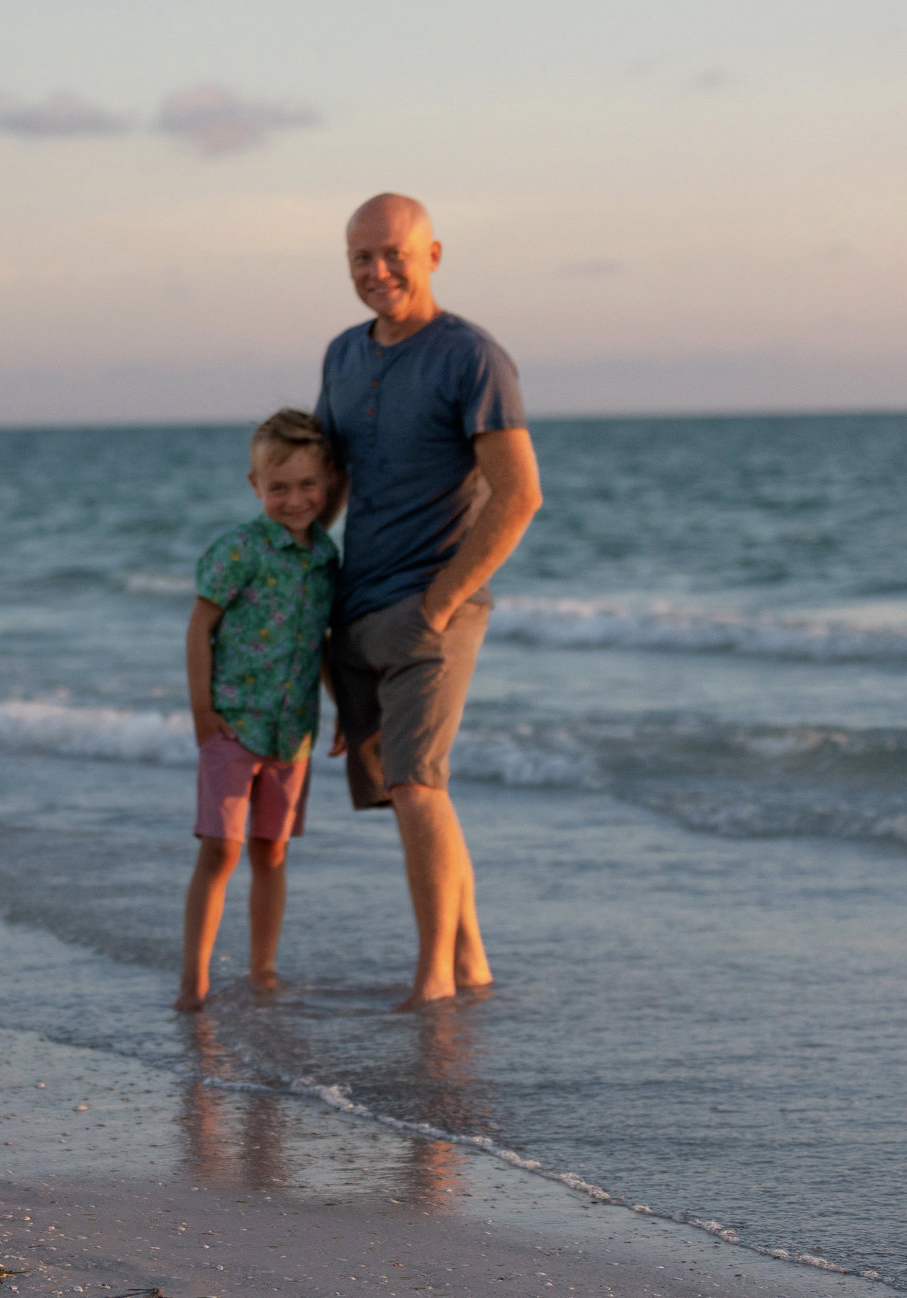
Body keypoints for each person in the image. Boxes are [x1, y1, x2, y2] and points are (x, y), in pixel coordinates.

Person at [315, 193, 542, 1010]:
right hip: (356, 610)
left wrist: (440, 606)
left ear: (433, 255)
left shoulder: (472, 356)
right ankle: (471, 960)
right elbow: (327, 483)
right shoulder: (342, 354)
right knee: (415, 795)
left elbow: (519, 495)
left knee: (415, 785)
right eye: (361, 258)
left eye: (394, 254)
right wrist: (292, 587)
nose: (377, 270)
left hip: (433, 607)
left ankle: (434, 980)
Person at [175, 409, 342, 1012]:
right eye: (278, 487)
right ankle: (193, 981)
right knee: (221, 849)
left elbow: (320, 642)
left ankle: (262, 971)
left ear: (328, 482)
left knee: (271, 850)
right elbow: (200, 628)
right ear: (255, 486)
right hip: (231, 723)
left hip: (292, 731)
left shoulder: (326, 557)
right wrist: (202, 710)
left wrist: (344, 708)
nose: (294, 500)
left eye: (307, 485)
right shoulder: (239, 550)